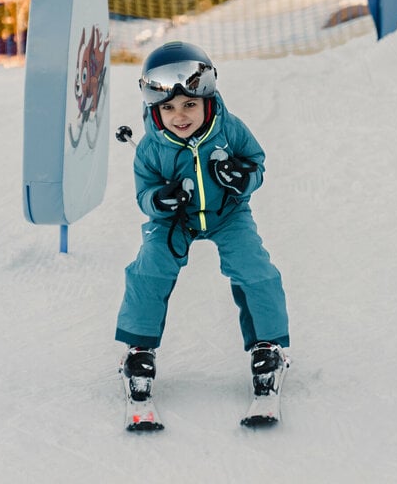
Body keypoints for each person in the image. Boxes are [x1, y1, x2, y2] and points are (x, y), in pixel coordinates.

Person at [115, 40, 290, 406]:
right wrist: (160, 200)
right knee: (150, 268)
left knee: (255, 269)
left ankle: (268, 346)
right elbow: (144, 193)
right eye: (169, 108)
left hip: (228, 213)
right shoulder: (149, 148)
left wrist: (242, 178)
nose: (180, 116)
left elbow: (256, 162)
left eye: (190, 105)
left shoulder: (230, 129)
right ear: (155, 108)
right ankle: (139, 350)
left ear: (207, 100)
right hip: (175, 220)